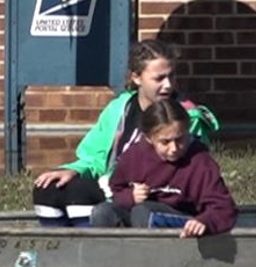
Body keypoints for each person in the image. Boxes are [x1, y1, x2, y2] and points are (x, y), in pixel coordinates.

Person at [30, 39, 220, 227]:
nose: (168, 85)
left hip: (153, 195)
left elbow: (179, 169)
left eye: (171, 76)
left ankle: (90, 250)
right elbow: (96, 156)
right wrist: (75, 170)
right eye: (159, 78)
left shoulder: (186, 117)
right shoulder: (120, 108)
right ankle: (63, 249)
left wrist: (119, 187)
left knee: (80, 192)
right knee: (48, 188)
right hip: (118, 186)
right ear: (136, 78)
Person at [93, 97, 238, 236]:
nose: (174, 148)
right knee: (103, 212)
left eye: (180, 139)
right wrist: (130, 196)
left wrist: (205, 221)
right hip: (142, 215)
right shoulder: (134, 156)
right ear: (149, 138)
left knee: (143, 212)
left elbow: (224, 207)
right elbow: (116, 188)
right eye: (165, 142)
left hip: (185, 222)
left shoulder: (199, 161)